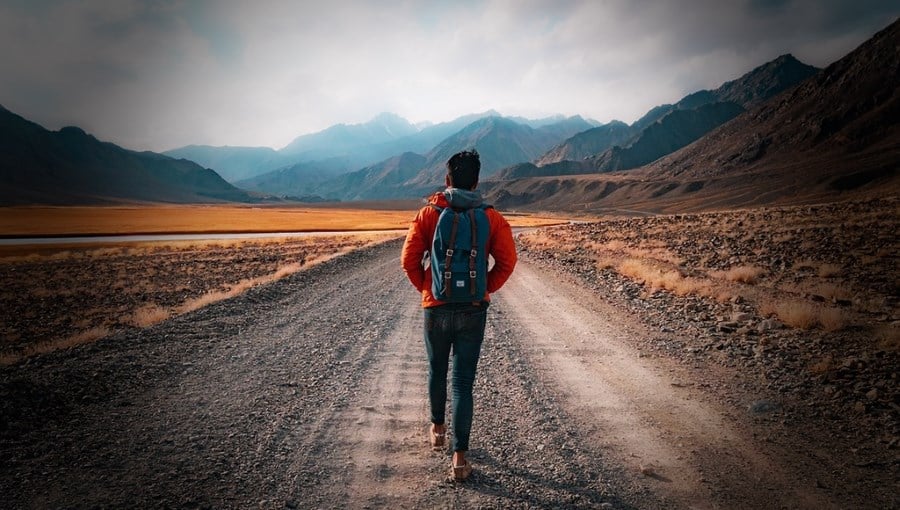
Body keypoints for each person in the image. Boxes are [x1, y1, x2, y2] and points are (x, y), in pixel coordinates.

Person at [401, 149, 517, 481]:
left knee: (437, 370)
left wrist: (429, 288)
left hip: (435, 308)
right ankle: (459, 459)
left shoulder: (428, 214)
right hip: (473, 310)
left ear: (447, 179)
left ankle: (437, 430)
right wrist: (483, 289)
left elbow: (409, 260)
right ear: (477, 181)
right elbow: (507, 263)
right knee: (463, 382)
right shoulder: (492, 217)